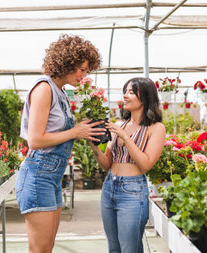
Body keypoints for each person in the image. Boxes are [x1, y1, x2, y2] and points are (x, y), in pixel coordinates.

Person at [15, 34, 104, 253]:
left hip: (52, 175)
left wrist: (81, 129)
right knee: (40, 249)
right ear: (66, 63)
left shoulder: (61, 92)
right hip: (39, 174)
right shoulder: (44, 89)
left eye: (87, 71)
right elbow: (35, 140)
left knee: (46, 247)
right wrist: (75, 131)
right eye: (81, 69)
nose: (84, 75)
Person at [90, 77, 166, 253]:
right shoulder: (119, 125)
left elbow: (146, 164)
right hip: (109, 186)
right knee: (114, 249)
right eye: (125, 92)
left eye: (131, 92)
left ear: (146, 98)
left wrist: (125, 137)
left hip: (132, 191)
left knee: (129, 249)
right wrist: (93, 146)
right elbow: (107, 163)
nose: (125, 96)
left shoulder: (155, 128)